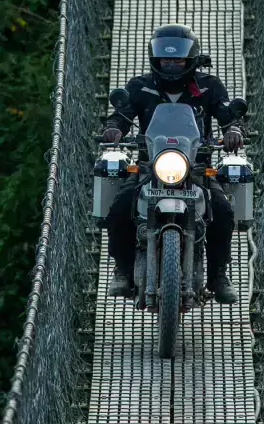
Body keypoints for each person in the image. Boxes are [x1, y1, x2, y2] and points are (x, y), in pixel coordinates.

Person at [104, 24, 245, 303]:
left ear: (190, 59)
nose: (170, 64)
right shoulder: (139, 86)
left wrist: (234, 131)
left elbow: (228, 115)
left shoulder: (209, 86)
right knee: (120, 206)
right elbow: (121, 115)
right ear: (155, 58)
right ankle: (121, 269)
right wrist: (114, 128)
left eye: (177, 59)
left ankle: (219, 275)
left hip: (196, 169)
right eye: (165, 59)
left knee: (223, 210)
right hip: (149, 167)